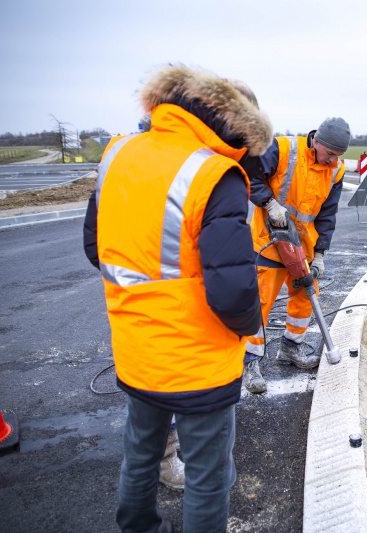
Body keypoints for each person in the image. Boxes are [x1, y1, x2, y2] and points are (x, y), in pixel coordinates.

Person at [83, 64, 271, 532]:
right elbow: (232, 292)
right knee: (208, 477)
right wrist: (251, 325)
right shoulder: (215, 174)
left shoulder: (120, 153)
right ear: (235, 127)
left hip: (136, 349)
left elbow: (95, 245)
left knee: (141, 453)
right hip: (198, 362)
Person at [242, 117, 351, 393]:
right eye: (329, 154)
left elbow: (327, 214)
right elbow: (249, 175)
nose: (332, 161)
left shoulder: (336, 170)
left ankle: (291, 348)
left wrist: (321, 254)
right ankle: (249, 361)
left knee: (305, 297)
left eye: (338, 156)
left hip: (302, 247)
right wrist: (269, 203)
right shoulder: (283, 149)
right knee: (260, 302)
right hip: (269, 240)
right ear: (317, 142)